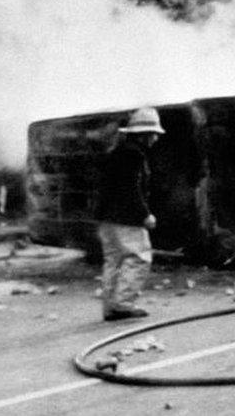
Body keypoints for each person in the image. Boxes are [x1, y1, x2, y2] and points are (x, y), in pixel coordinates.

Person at [95, 107, 164, 321]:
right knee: (138, 258)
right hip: (126, 219)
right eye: (153, 134)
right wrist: (144, 214)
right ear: (143, 134)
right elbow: (131, 189)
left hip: (107, 218)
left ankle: (111, 306)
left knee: (113, 261)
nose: (155, 138)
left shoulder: (117, 152)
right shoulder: (134, 155)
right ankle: (123, 304)